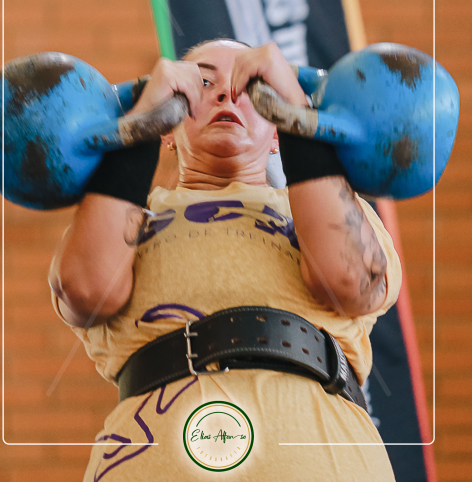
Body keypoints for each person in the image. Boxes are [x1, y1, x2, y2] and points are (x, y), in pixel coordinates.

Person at [49, 39, 401, 481]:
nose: (226, 94)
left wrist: (295, 107)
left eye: (250, 87)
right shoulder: (125, 214)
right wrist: (142, 120)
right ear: (169, 128)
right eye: (201, 83)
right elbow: (86, 290)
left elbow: (348, 280)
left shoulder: (332, 208)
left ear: (276, 132)